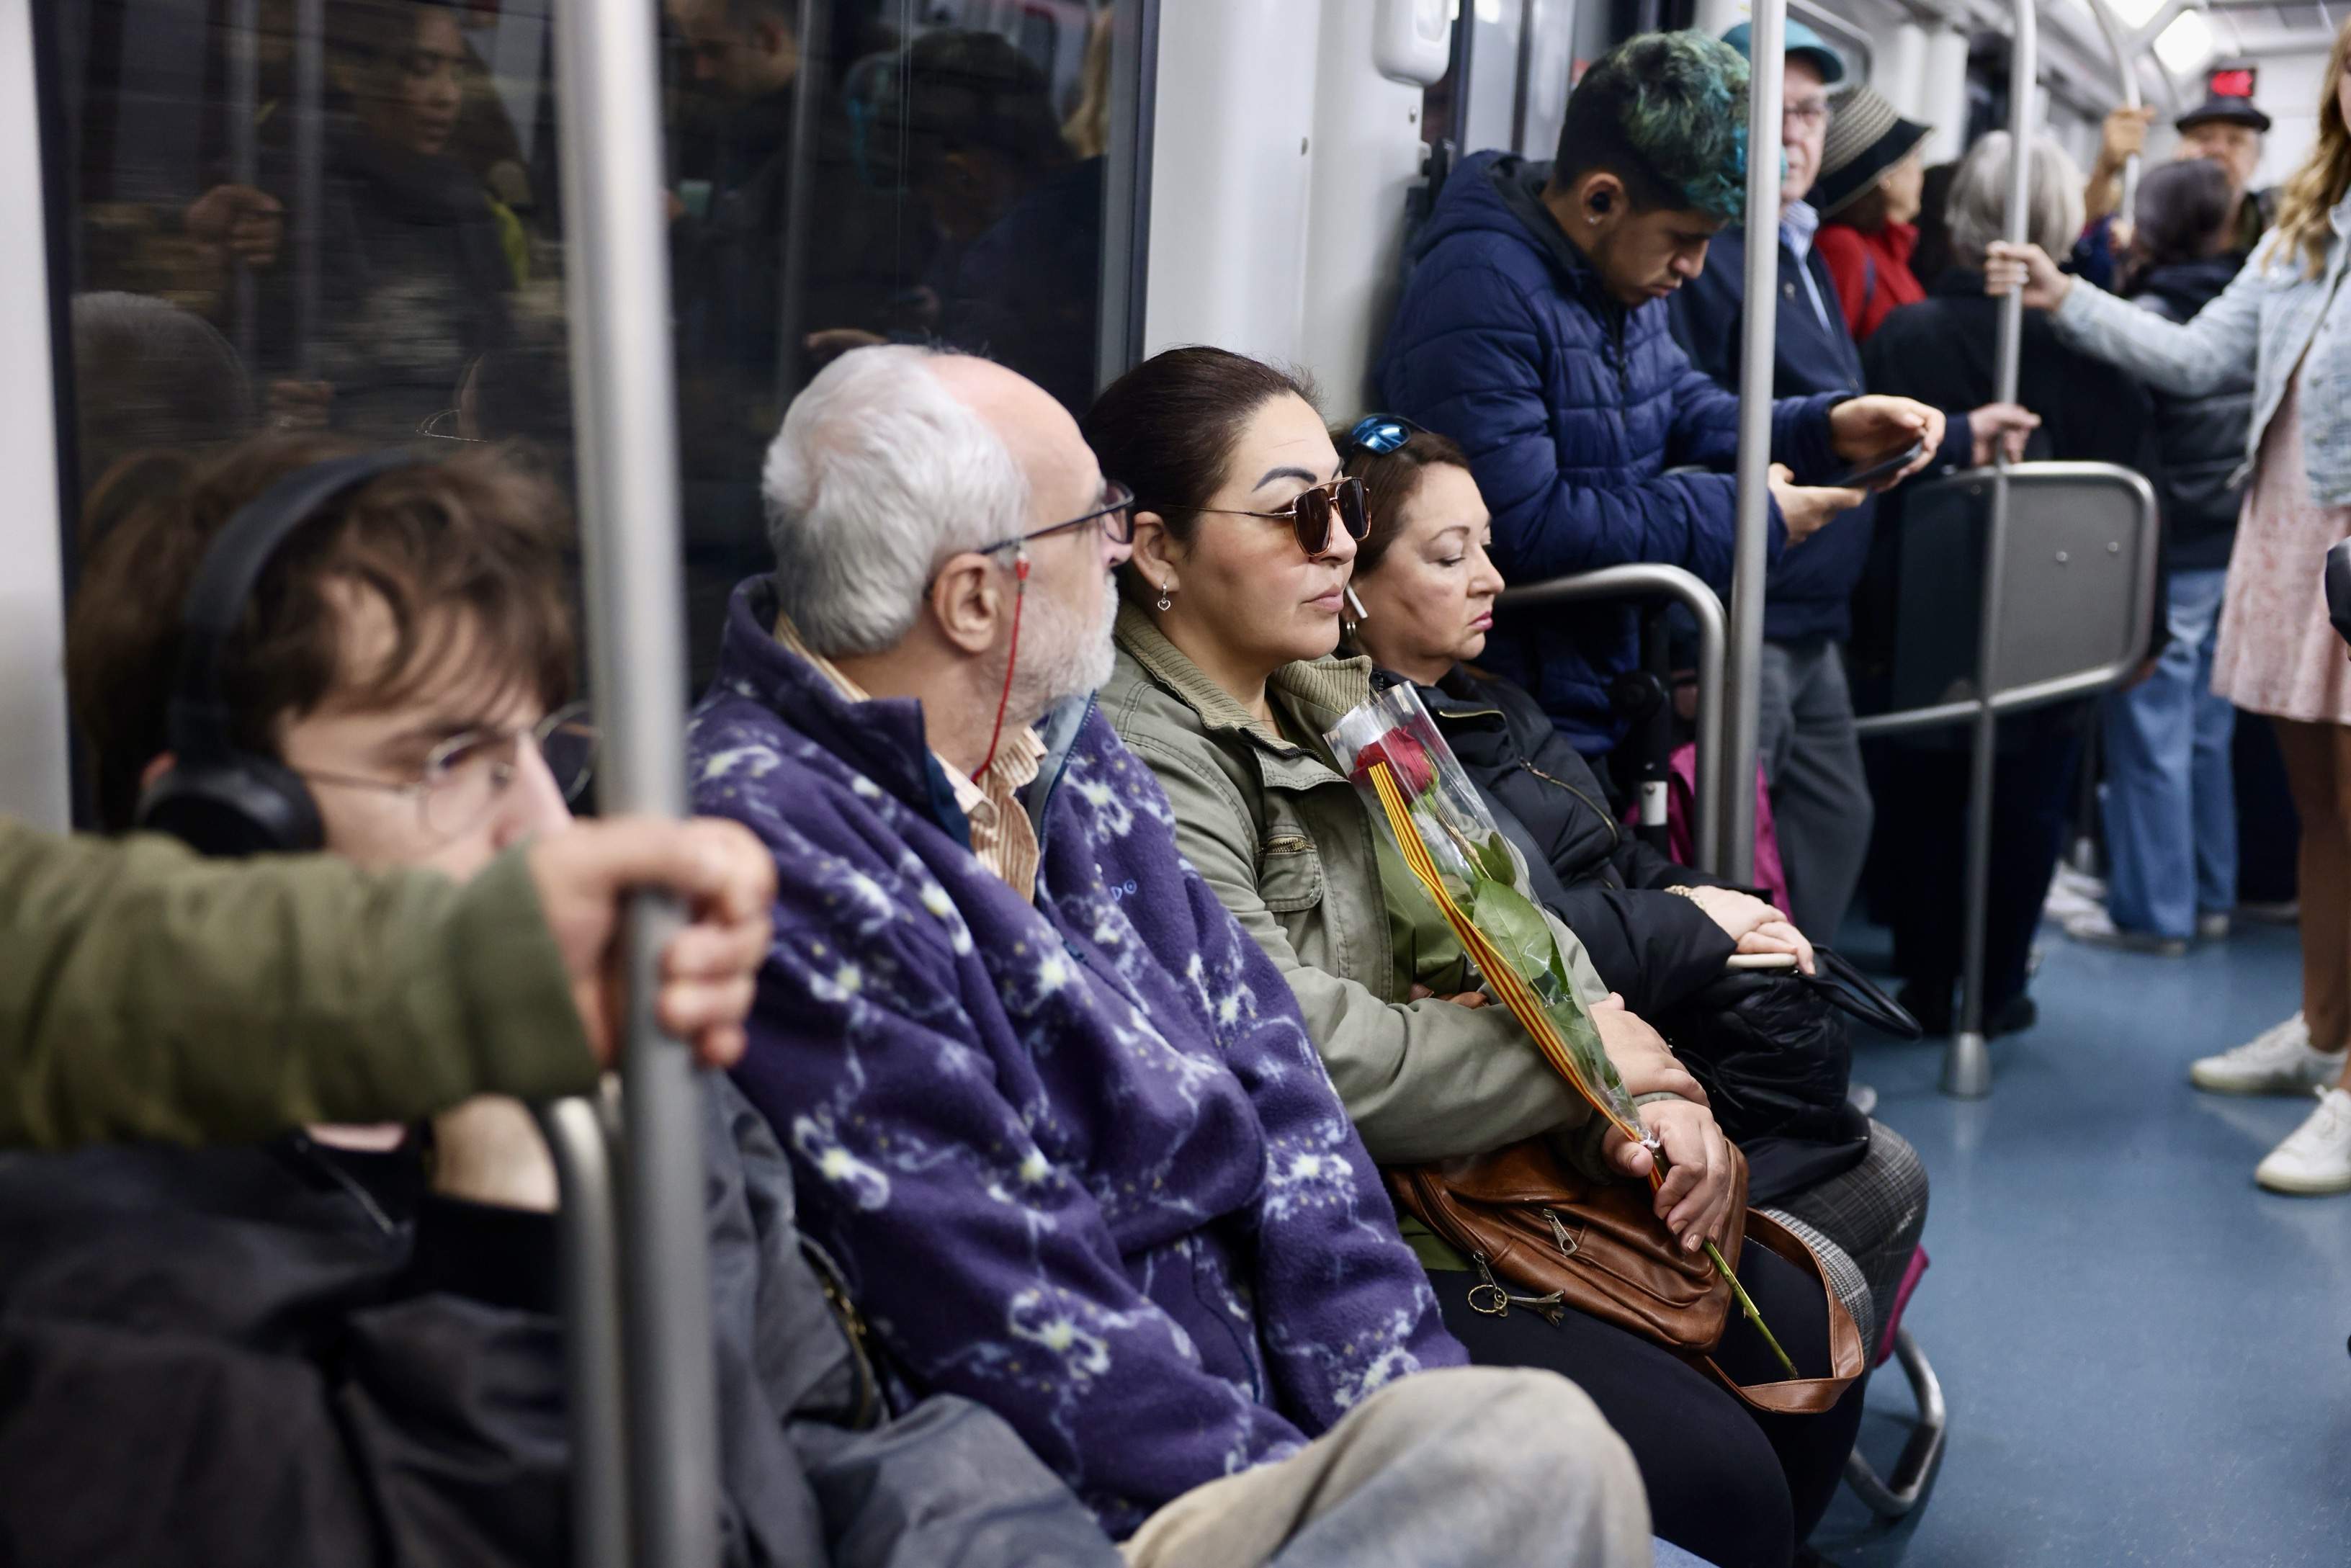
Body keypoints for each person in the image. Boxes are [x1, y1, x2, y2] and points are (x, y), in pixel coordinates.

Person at [689, 344, 1652, 1566]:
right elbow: (992, 1298)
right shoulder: (768, 848)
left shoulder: (1067, 764)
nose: (1116, 549)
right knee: (1545, 1455)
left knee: (1513, 1450)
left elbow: (1288, 1107)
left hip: (1267, 1411)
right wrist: (1304, 1485)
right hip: (1090, 1501)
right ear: (973, 599)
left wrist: (1396, 1411)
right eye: (1092, 519)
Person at [1088, 345, 1866, 1568]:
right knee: (1718, 1478)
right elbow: (1294, 1049)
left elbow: (1499, 904)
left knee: (1799, 1330)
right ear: (1155, 548)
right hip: (1338, 1213)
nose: (1337, 543)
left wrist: (1651, 1091)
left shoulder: (1329, 693)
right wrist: (1578, 1062)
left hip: (1471, 1146)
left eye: (1342, 506)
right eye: (1297, 511)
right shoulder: (1139, 758)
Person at [1332, 413, 1929, 1330]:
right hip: (1562, 1087)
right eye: (1451, 557)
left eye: (1486, 547)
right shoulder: (1374, 761)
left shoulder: (1494, 702)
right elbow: (1511, 932)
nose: (1492, 578)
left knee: (1855, 1128)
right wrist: (1697, 928)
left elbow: (1609, 846)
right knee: (1885, 1175)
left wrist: (1708, 900)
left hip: (1635, 1015)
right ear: (1354, 583)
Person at [1987, 17, 2351, 1196]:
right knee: (2317, 814)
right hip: (2286, 536)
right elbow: (2197, 360)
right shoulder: (2300, 232)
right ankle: (2320, 1032)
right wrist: (2064, 297)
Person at [1374, 30, 1943, 763]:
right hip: (1516, 701)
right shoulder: (1482, 290)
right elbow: (1524, 524)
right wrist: (1748, 516)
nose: (1695, 266)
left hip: (1599, 685)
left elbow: (1676, 401)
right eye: (1682, 237)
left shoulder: (1613, 273)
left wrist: (1823, 427)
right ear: (1600, 198)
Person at [1672, 28, 2033, 943]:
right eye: (1776, 110)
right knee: (1729, 847)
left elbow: (1836, 408)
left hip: (1811, 606)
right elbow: (1709, 415)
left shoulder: (1799, 254)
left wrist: (1953, 439)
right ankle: (1750, 1053)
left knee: (1833, 820)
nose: (1798, 133)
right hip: (1747, 594)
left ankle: (1801, 1020)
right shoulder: (1706, 253)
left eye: (1812, 112)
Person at [1861, 132, 2156, 1038]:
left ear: (1962, 220)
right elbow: (2142, 493)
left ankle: (1926, 975)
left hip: (1921, 612)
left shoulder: (1904, 336)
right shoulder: (2102, 353)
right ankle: (1996, 988)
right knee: (2028, 798)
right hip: (2063, 621)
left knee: (1921, 792)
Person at [0, 810, 770, 1150]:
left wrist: (474, 972)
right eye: (443, 762)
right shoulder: (140, 1302)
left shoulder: (664, 1075)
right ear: (234, 820)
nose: (547, 819)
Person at [2063, 158, 2253, 957]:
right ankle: (2209, 894)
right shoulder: (2248, 299)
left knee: (2149, 729)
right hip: (2230, 537)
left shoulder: (2148, 313)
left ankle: (2153, 911)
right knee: (2206, 733)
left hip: (2171, 541)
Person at [2075, 83, 2275, 290]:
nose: (2218, 150)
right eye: (2203, 138)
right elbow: (2079, 248)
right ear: (2179, 151)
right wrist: (2105, 169)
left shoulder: (2271, 229)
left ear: (2256, 159)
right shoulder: (2147, 226)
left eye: (2235, 141)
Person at [1811, 84, 1934, 343]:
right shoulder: (1844, 248)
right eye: (1913, 157)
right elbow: (1832, 351)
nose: (1919, 171)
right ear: (1885, 176)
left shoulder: (1892, 249)